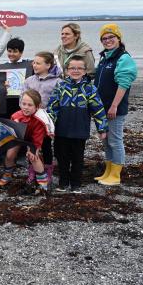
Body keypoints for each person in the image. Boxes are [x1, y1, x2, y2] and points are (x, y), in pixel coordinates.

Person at [46, 55, 108, 193]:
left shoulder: (90, 88)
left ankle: (76, 184)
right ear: (67, 70)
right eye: (72, 68)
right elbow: (52, 107)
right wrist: (48, 126)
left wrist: (102, 128)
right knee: (62, 157)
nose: (76, 70)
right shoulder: (61, 86)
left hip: (80, 130)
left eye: (79, 68)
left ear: (85, 71)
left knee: (77, 158)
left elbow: (98, 109)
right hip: (61, 129)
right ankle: (63, 182)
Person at [93, 23, 138, 186]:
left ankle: (116, 175)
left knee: (115, 140)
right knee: (105, 141)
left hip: (114, 108)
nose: (107, 40)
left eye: (111, 37)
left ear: (119, 38)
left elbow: (124, 84)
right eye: (104, 38)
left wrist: (114, 106)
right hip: (101, 108)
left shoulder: (123, 58)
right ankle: (108, 171)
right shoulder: (105, 57)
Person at [0, 90, 53, 192]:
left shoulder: (39, 120)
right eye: (24, 104)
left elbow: (37, 138)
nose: (26, 107)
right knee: (10, 154)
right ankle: (8, 174)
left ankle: (43, 180)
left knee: (33, 156)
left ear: (37, 106)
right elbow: (11, 132)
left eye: (30, 105)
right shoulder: (16, 115)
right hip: (19, 137)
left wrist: (34, 149)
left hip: (32, 139)